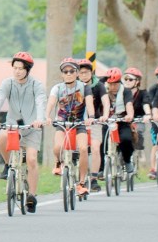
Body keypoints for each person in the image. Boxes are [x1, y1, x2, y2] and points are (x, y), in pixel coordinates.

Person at [0, 52, 46, 213]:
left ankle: (32, 196)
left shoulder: (37, 85)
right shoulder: (7, 83)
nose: (17, 71)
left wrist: (40, 119)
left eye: (21, 69)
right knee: (1, 136)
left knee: (32, 159)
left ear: (28, 70)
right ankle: (8, 165)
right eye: (15, 68)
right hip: (13, 126)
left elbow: (41, 101)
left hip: (32, 128)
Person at [47, 57, 93, 197]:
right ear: (62, 74)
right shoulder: (57, 88)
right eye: (65, 71)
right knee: (57, 147)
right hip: (62, 122)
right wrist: (47, 116)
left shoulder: (85, 88)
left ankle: (82, 182)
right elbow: (51, 103)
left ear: (77, 72)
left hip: (79, 123)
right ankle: (58, 163)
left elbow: (90, 105)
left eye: (71, 71)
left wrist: (90, 117)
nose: (68, 74)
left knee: (83, 149)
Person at [101, 67, 136, 174]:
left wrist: (129, 115)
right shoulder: (103, 91)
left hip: (122, 121)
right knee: (102, 144)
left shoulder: (126, 91)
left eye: (115, 83)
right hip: (108, 121)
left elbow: (129, 104)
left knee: (126, 139)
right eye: (110, 84)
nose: (113, 86)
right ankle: (102, 168)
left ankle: (127, 161)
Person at [80, 58, 108, 191]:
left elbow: (106, 102)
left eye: (86, 72)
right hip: (77, 121)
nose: (83, 75)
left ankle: (93, 178)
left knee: (96, 148)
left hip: (95, 121)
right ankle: (77, 175)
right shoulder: (74, 85)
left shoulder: (99, 85)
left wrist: (105, 115)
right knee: (79, 149)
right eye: (80, 72)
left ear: (91, 73)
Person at [125, 67, 147, 167]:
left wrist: (148, 114)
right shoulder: (122, 92)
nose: (127, 81)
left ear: (137, 81)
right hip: (124, 119)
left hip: (139, 119)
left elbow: (146, 103)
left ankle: (139, 149)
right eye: (126, 79)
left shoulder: (142, 93)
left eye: (130, 79)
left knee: (139, 131)